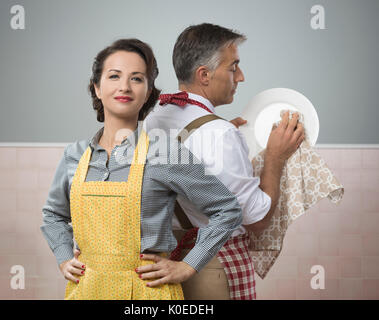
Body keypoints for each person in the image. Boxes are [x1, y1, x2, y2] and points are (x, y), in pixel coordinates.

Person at [40, 38, 243, 300]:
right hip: (87, 291)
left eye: (136, 78)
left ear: (148, 93)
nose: (124, 86)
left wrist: (188, 265)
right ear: (97, 88)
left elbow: (227, 209)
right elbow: (53, 215)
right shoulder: (75, 155)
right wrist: (64, 257)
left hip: (147, 294)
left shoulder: (164, 152)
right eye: (114, 76)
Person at [144, 23, 305, 299]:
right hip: (214, 264)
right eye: (233, 67)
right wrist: (275, 158)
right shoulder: (219, 134)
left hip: (169, 259)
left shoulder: (155, 115)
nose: (240, 77)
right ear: (204, 75)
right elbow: (256, 220)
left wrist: (217, 135)